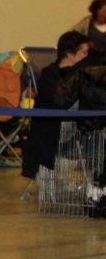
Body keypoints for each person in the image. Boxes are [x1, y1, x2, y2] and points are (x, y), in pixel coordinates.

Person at [21, 30, 89, 179]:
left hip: (76, 129)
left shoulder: (84, 74)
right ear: (70, 54)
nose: (86, 56)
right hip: (56, 131)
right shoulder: (50, 75)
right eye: (84, 52)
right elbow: (57, 103)